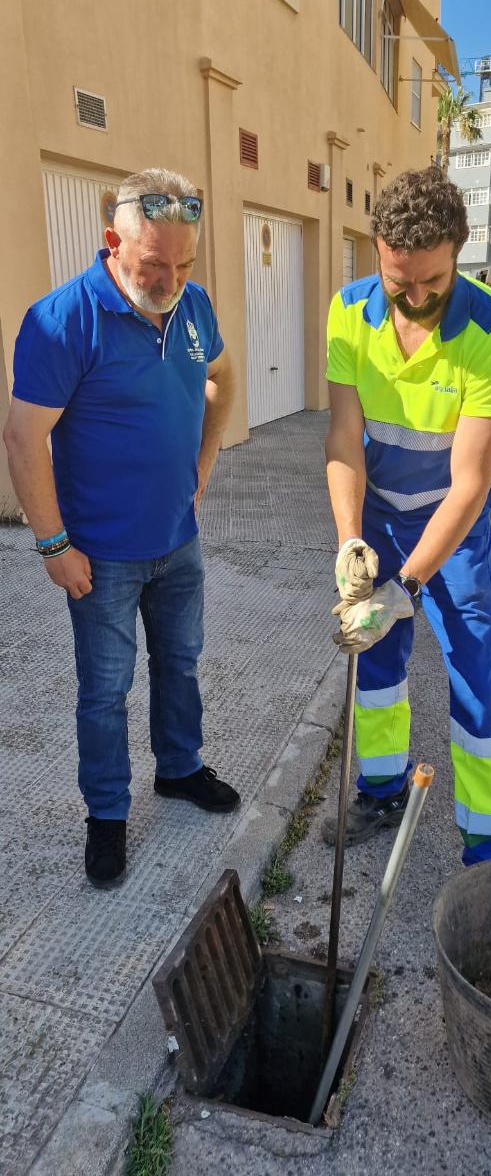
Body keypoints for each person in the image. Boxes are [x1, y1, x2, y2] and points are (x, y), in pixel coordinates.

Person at [3, 168, 239, 889]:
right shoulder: (61, 320)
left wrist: (204, 463)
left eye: (185, 264)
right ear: (113, 241)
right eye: (154, 265)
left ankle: (179, 768)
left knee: (181, 663)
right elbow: (22, 436)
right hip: (100, 557)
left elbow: (222, 380)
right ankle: (106, 813)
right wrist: (53, 544)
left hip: (178, 541)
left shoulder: (194, 306)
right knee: (105, 692)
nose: (171, 281)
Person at [323, 166, 491, 866]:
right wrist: (351, 541)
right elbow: (343, 439)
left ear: (458, 255)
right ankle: (381, 789)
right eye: (397, 281)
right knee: (376, 659)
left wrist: (405, 588)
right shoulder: (349, 311)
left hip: (453, 531)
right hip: (378, 517)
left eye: (432, 282)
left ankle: (484, 845)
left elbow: (469, 484)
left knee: (473, 675)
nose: (414, 300)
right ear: (377, 252)